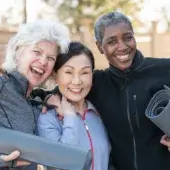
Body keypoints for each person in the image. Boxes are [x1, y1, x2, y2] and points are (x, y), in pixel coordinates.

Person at [33, 11, 170, 170]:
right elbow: (64, 87)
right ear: (100, 47)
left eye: (128, 37)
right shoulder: (96, 83)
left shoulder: (164, 70)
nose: (122, 46)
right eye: (112, 41)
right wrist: (49, 97)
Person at [0, 20, 70, 170]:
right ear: (18, 51)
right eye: (37, 52)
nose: (43, 61)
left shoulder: (34, 101)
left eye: (51, 58)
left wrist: (51, 96)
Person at [37, 42, 111, 170]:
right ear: (56, 76)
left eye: (84, 73)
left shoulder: (98, 113)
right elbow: (60, 162)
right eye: (69, 72)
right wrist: (70, 118)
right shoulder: (47, 118)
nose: (77, 81)